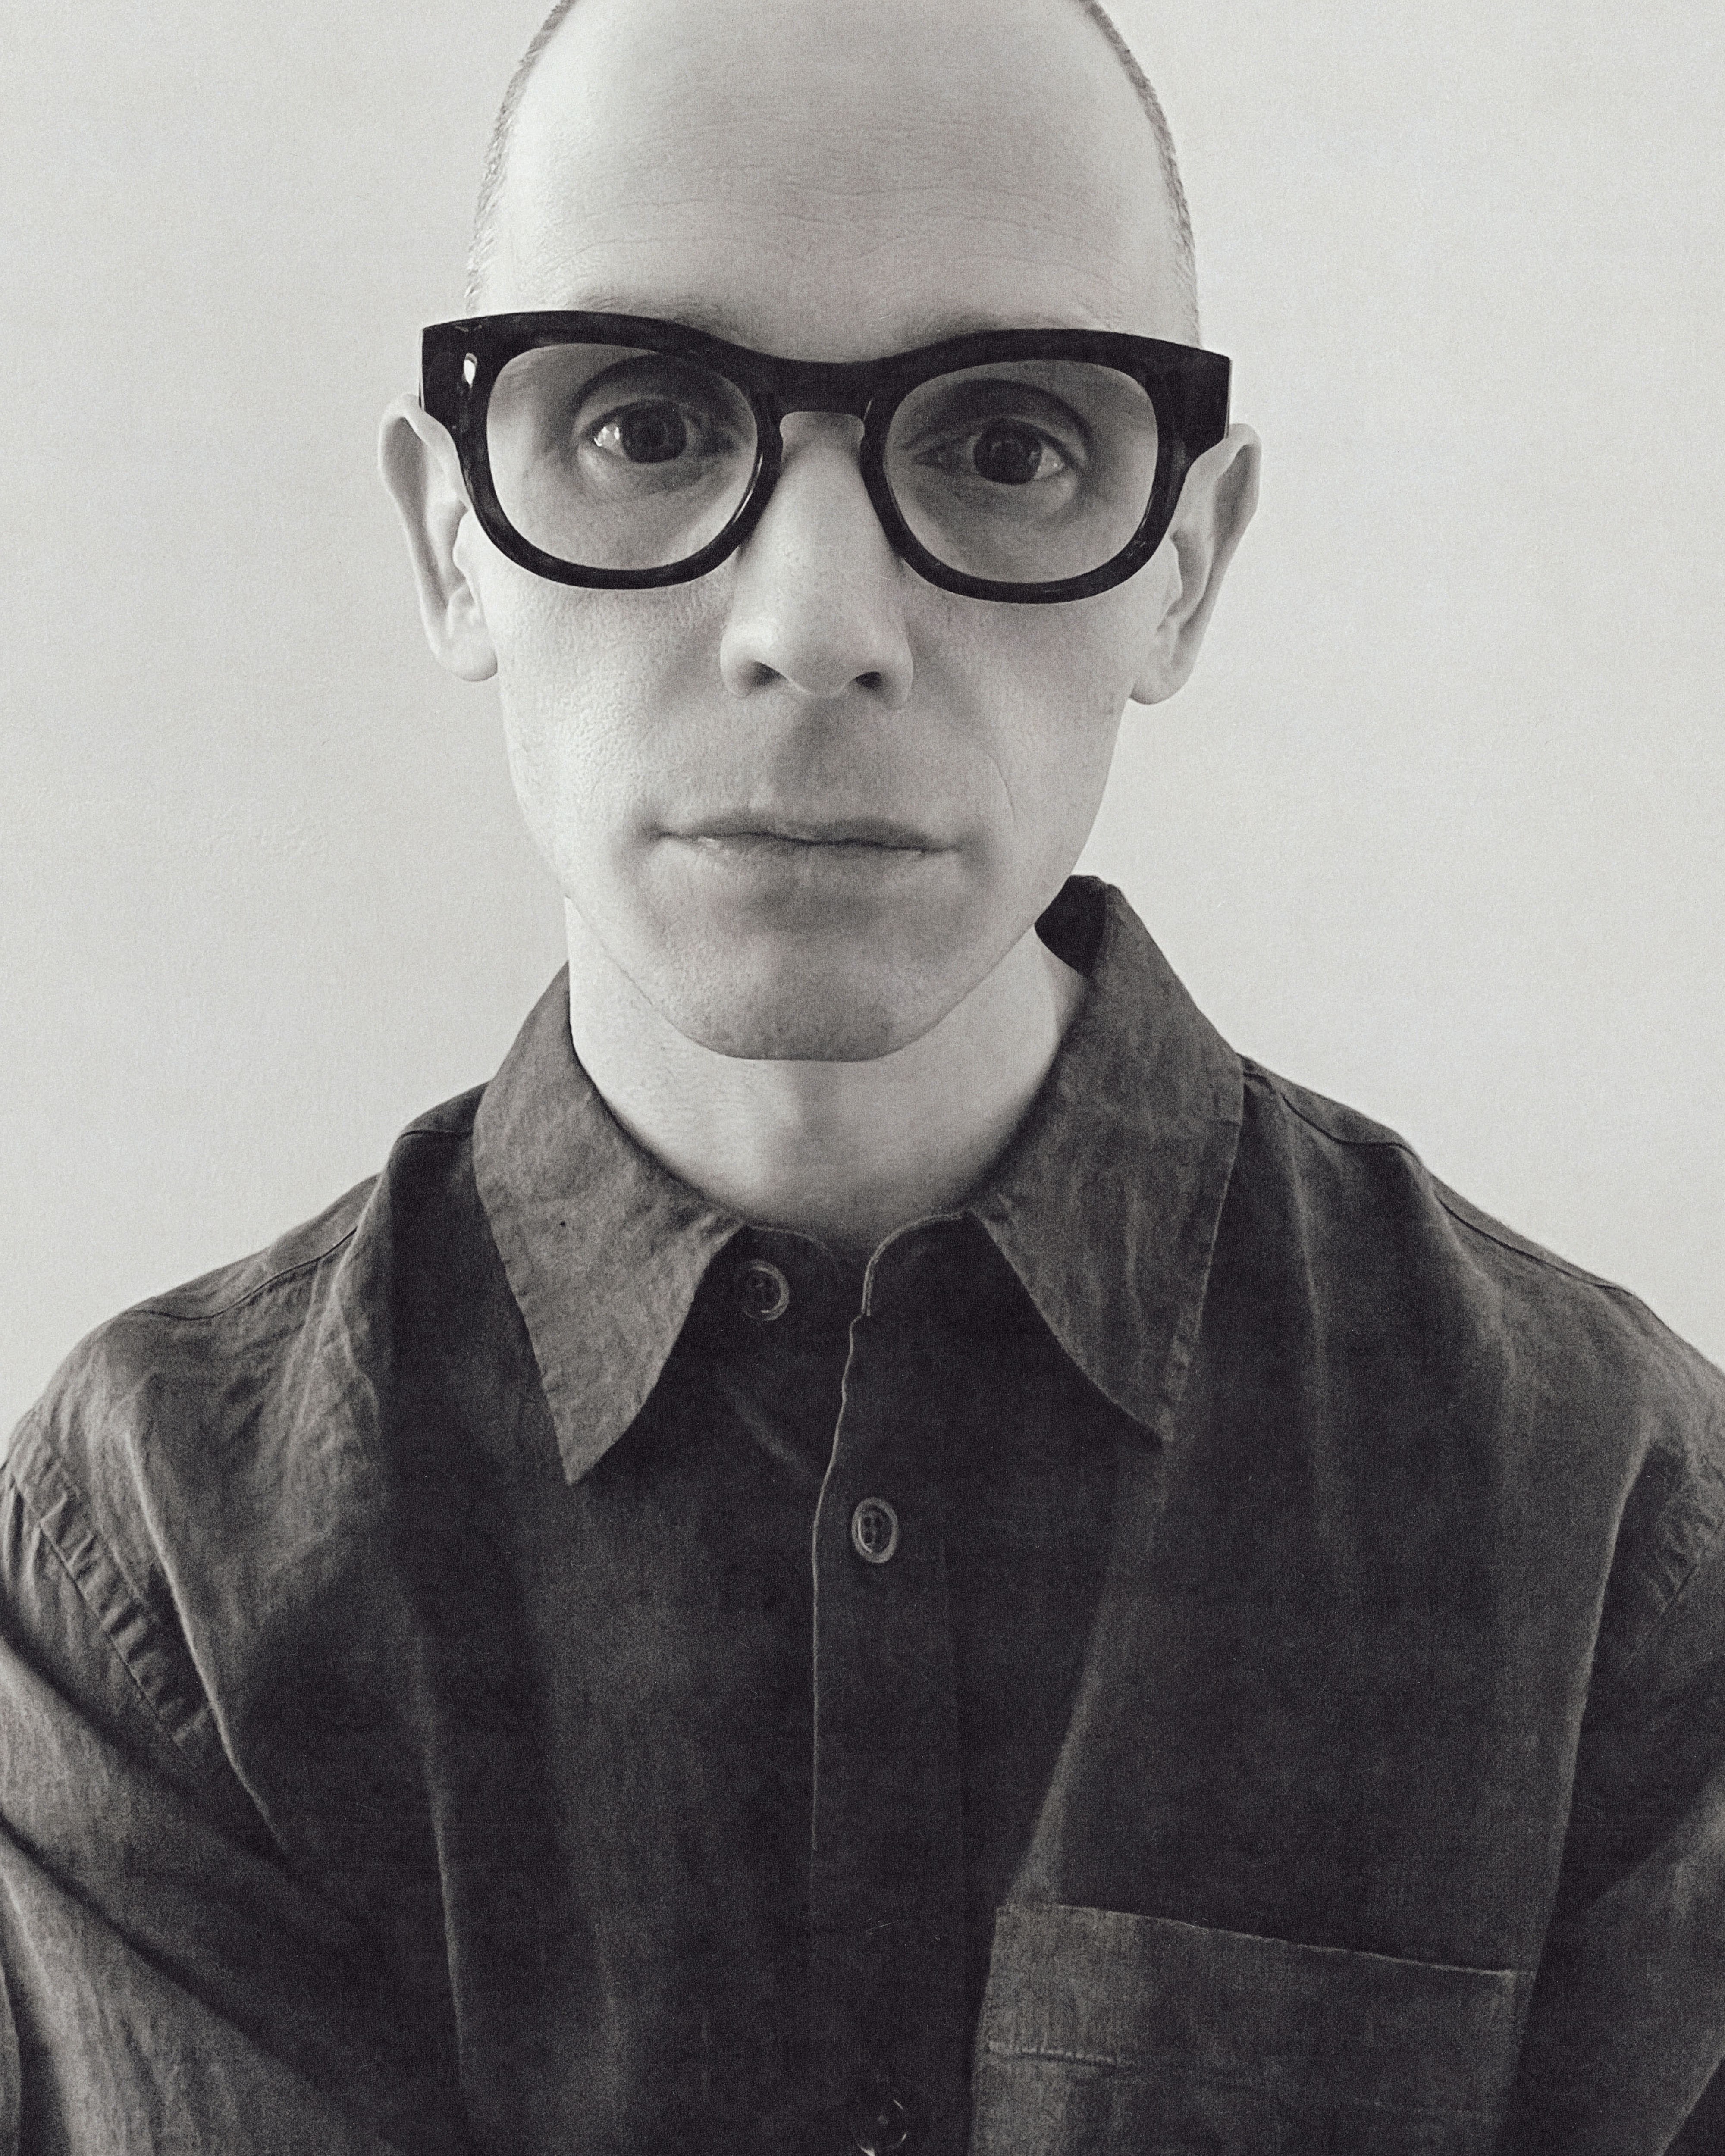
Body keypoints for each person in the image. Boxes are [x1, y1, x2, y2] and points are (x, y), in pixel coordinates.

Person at [2, 0, 1721, 2149]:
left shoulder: (1615, 1522)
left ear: (1183, 566)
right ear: (453, 538)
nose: (814, 622)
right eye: (644, 422)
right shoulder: (154, 1559)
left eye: (1004, 446)